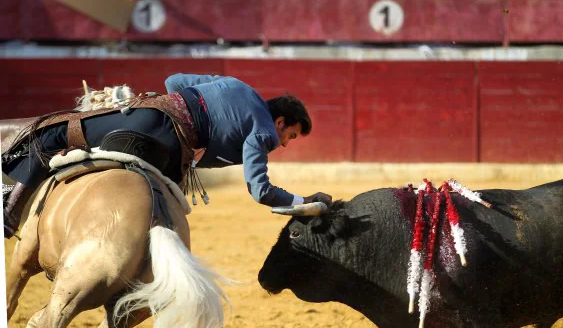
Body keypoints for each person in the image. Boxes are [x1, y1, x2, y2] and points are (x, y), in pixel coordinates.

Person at [2, 76, 332, 239]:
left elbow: (174, 81)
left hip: (151, 115)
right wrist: (302, 200)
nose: (284, 144)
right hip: (172, 156)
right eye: (289, 136)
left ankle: (12, 207)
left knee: (58, 132)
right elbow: (259, 191)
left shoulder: (236, 84)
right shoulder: (263, 132)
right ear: (280, 122)